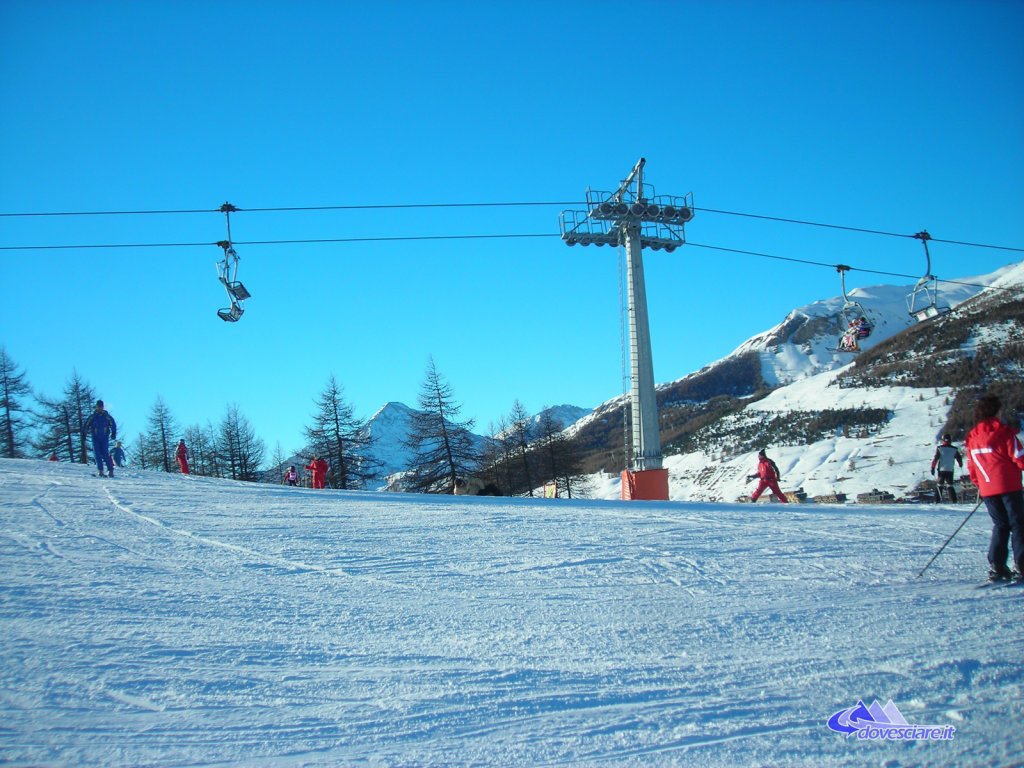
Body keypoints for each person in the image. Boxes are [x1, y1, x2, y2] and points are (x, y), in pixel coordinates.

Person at [965, 394, 1024, 581]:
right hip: (1009, 486)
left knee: (1000, 525)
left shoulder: (973, 437)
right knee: (1018, 524)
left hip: (988, 489)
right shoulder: (1004, 433)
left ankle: (998, 565)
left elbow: (972, 467)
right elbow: (1019, 457)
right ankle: (1022, 564)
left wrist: (981, 484)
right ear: (996, 411)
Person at [83, 399, 117, 478]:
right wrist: (84, 433)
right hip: (95, 438)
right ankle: (100, 471)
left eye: (101, 406)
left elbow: (112, 423)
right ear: (96, 407)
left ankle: (110, 471)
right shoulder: (93, 416)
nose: (100, 408)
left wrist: (113, 432)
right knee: (97, 454)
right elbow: (86, 425)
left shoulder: (106, 416)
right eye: (98, 406)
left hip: (104, 438)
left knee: (105, 454)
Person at [930, 434, 963, 503]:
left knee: (940, 485)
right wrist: (960, 464)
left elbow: (936, 458)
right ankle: (954, 500)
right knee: (950, 485)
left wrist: (932, 468)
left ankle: (937, 500)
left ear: (943, 440)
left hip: (942, 469)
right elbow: (959, 458)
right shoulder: (954, 449)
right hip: (950, 469)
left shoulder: (940, 448)